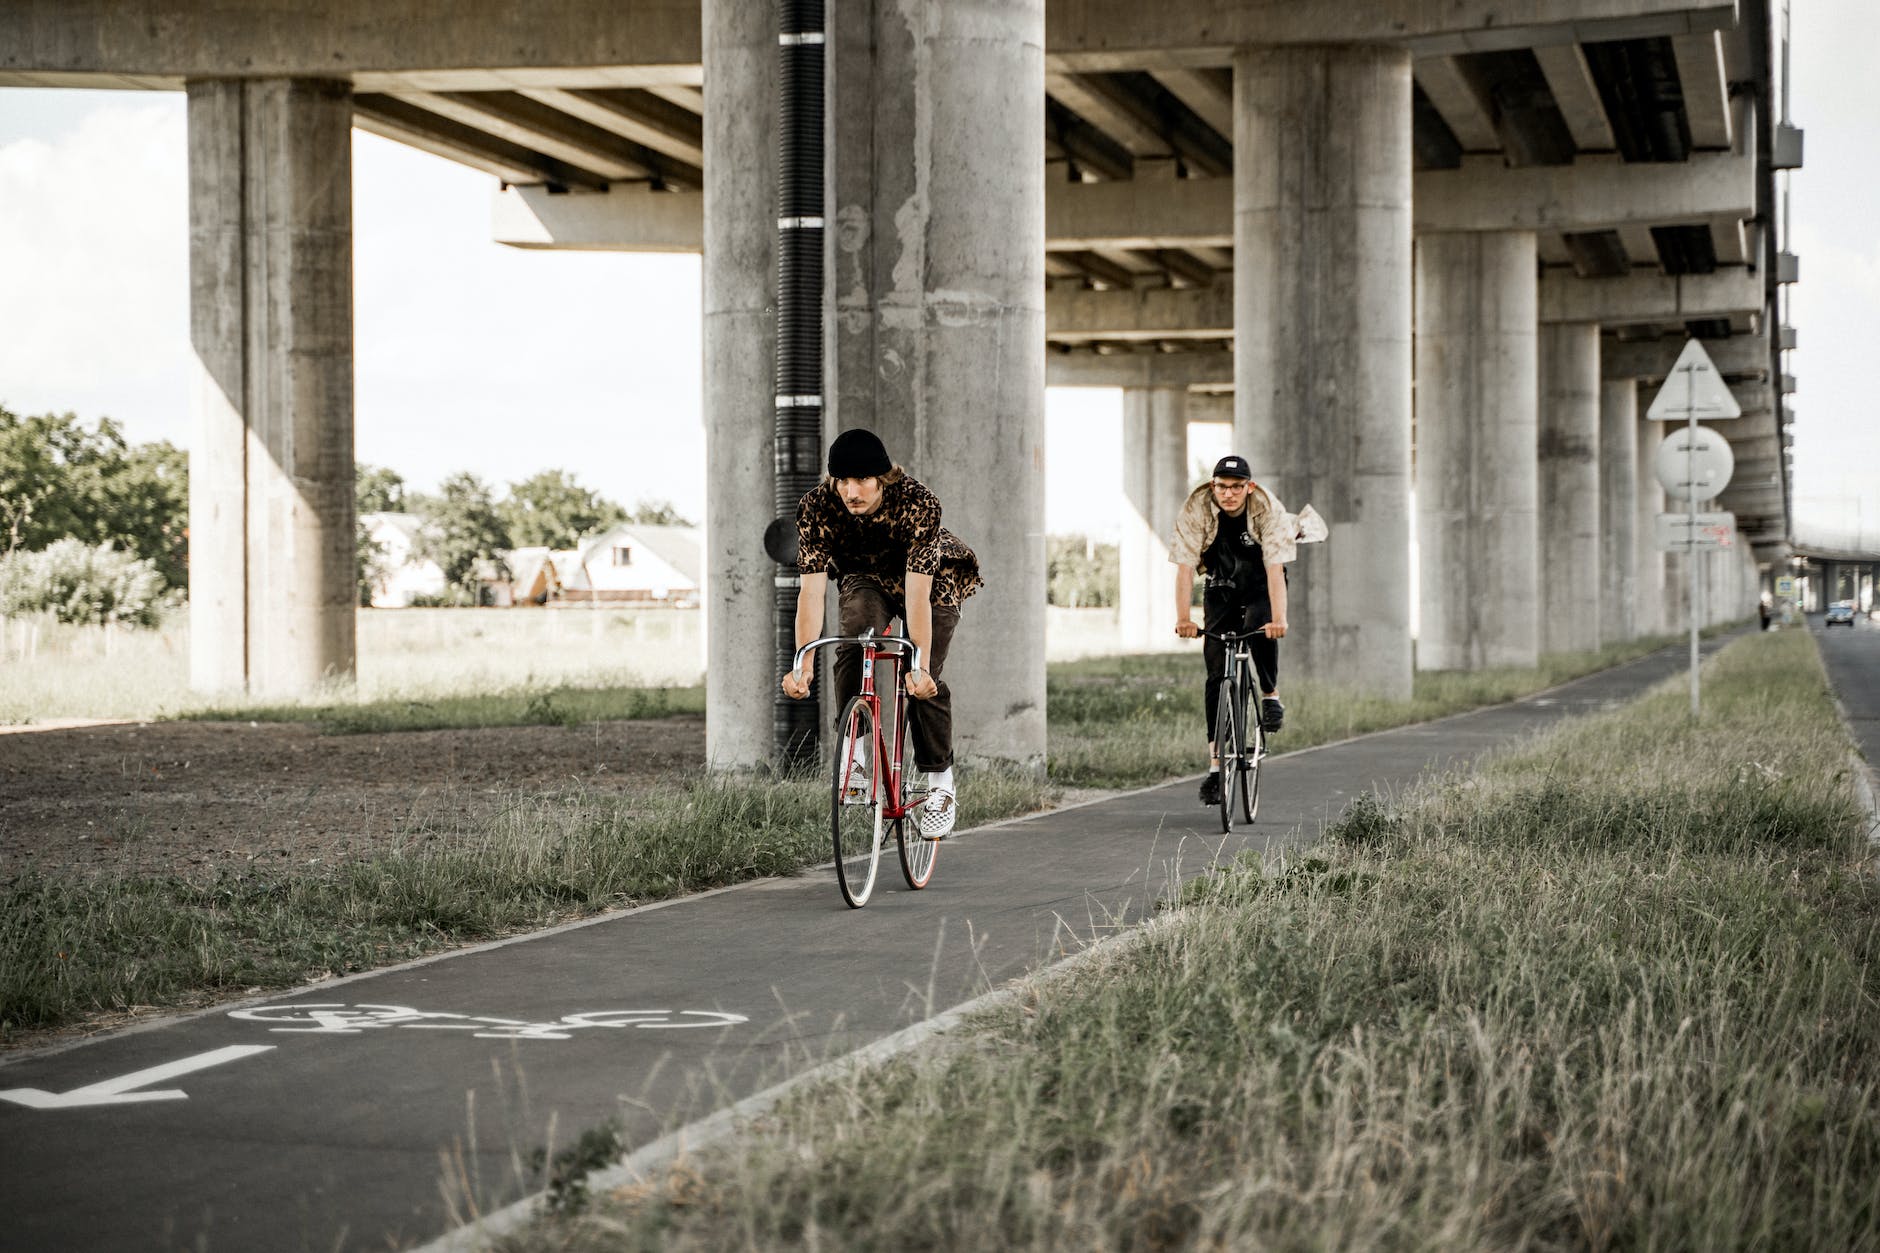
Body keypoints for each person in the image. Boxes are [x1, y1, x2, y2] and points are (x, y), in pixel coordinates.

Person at [780, 427, 982, 838]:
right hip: (865, 576)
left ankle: (940, 783)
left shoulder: (917, 502)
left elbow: (919, 595)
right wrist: (802, 663)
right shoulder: (817, 507)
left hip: (931, 580)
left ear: (883, 478)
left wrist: (921, 663)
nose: (851, 491)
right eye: (843, 481)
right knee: (855, 636)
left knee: (922, 677)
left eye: (862, 481)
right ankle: (856, 750)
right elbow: (812, 593)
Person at [1169, 454, 1299, 808]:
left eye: (1236, 487)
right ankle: (1215, 767)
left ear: (1249, 487)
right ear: (1214, 486)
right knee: (1214, 673)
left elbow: (1275, 571)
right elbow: (1184, 569)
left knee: (1261, 625)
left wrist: (1280, 620)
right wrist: (1184, 618)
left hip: (1260, 582)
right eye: (1222, 487)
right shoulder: (1197, 507)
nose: (1228, 494)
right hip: (1221, 583)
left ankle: (1270, 695)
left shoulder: (1265, 508)